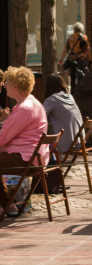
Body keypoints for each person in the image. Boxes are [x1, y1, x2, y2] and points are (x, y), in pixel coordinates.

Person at [0, 67, 48, 216]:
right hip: (32, 156)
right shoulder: (32, 102)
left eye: (7, 82)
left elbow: (2, 138)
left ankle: (6, 205)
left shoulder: (24, 109)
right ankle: (8, 205)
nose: (4, 85)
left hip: (26, 158)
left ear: (15, 86)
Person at [43, 74, 83, 155]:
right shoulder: (69, 96)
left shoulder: (51, 100)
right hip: (79, 141)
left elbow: (39, 116)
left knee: (39, 147)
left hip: (64, 144)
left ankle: (51, 165)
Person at [59, 22, 91, 89]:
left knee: (73, 76)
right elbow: (87, 50)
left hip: (72, 59)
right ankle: (80, 90)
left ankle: (74, 90)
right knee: (81, 76)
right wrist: (90, 59)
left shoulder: (70, 38)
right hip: (82, 60)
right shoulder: (84, 38)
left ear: (74, 29)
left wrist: (61, 58)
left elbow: (66, 49)